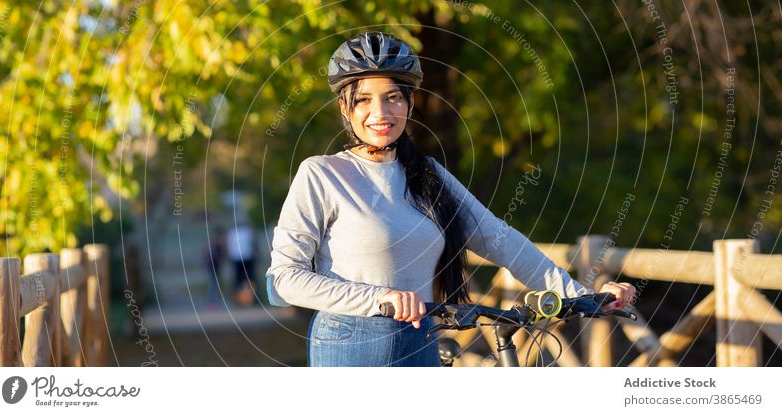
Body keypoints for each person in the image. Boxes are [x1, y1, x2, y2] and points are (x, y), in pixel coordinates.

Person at [265, 32, 635, 367]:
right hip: (351, 344)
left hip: (422, 337)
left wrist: (584, 294)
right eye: (364, 100)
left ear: (410, 104)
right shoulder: (322, 174)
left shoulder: (428, 175)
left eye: (393, 97)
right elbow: (287, 277)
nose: (380, 113)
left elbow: (498, 239)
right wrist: (380, 298)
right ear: (346, 109)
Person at [227, 222, 257, 307]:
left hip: (236, 258)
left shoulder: (232, 232)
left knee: (238, 280)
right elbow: (253, 242)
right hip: (248, 257)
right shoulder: (248, 231)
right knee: (250, 279)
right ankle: (252, 299)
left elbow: (229, 246)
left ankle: (237, 299)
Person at [202, 226, 226, 310]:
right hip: (212, 266)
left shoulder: (211, 242)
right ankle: (212, 302)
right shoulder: (216, 242)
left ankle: (213, 302)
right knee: (213, 284)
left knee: (214, 284)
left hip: (214, 265)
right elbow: (223, 253)